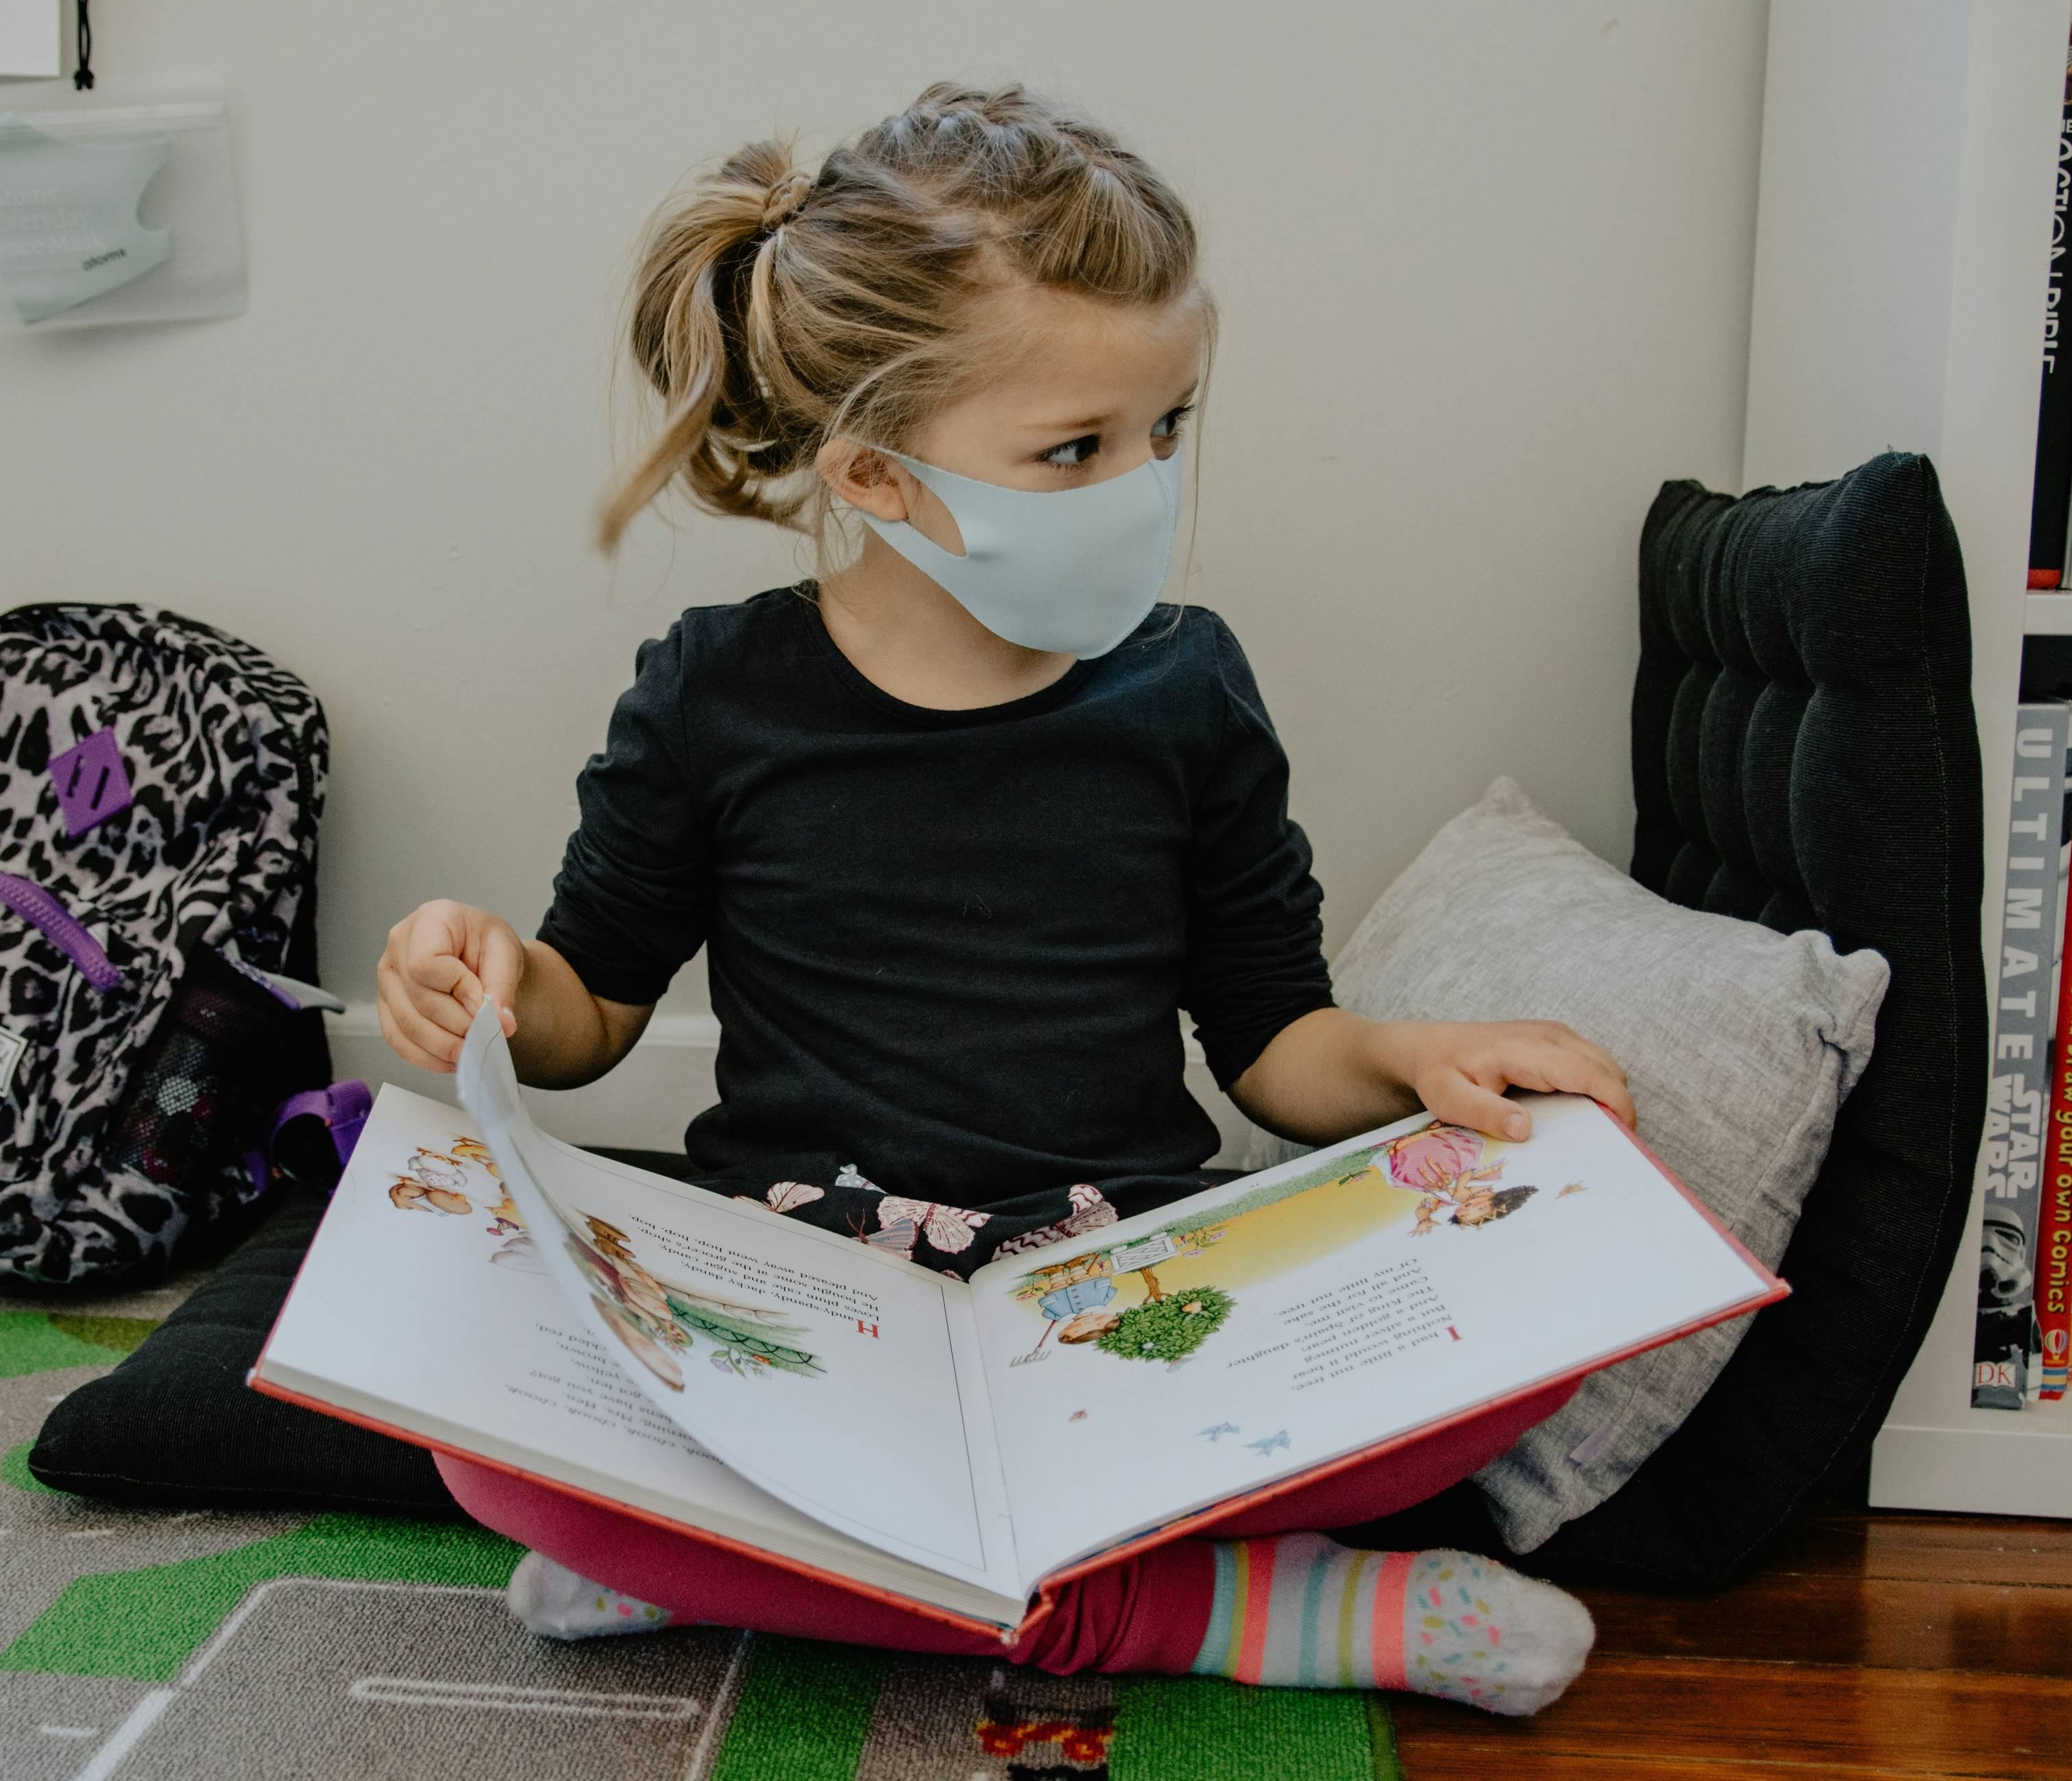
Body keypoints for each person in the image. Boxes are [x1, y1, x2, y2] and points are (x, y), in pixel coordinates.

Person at [377, 82, 1635, 1717]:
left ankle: (749, 1568)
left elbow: (1271, 1040)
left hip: (1117, 1297)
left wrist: (1409, 1066)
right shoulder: (714, 694)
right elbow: (585, 1017)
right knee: (478, 1454)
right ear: (878, 477)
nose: (1145, 481)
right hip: (808, 1301)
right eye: (1077, 450)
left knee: (1521, 1339)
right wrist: (476, 975)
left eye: (1165, 429)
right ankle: (1231, 1614)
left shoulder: (1185, 689)